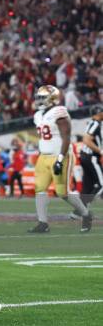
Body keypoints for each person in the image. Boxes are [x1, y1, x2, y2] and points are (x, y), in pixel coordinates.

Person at [28, 85, 92, 233]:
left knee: (62, 192)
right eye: (39, 97)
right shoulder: (38, 115)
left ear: (52, 98)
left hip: (59, 155)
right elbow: (44, 137)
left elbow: (66, 137)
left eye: (42, 97)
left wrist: (60, 159)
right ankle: (43, 223)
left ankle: (86, 214)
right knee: (40, 189)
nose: (39, 100)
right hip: (43, 156)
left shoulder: (59, 112)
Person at [78, 105, 103, 229]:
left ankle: (85, 224)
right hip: (91, 157)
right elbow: (86, 139)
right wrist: (100, 151)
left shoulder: (94, 123)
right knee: (102, 185)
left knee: (87, 189)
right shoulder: (96, 124)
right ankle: (79, 209)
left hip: (85, 157)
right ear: (98, 113)